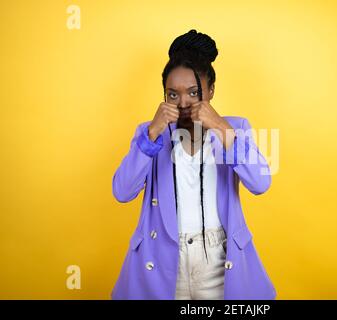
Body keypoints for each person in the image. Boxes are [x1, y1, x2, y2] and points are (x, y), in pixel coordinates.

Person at [111, 29, 276, 300]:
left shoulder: (233, 128)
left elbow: (260, 183)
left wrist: (221, 127)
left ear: (210, 90)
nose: (184, 102)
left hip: (220, 261)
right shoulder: (150, 133)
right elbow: (122, 191)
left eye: (193, 92)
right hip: (163, 259)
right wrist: (151, 135)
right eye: (172, 94)